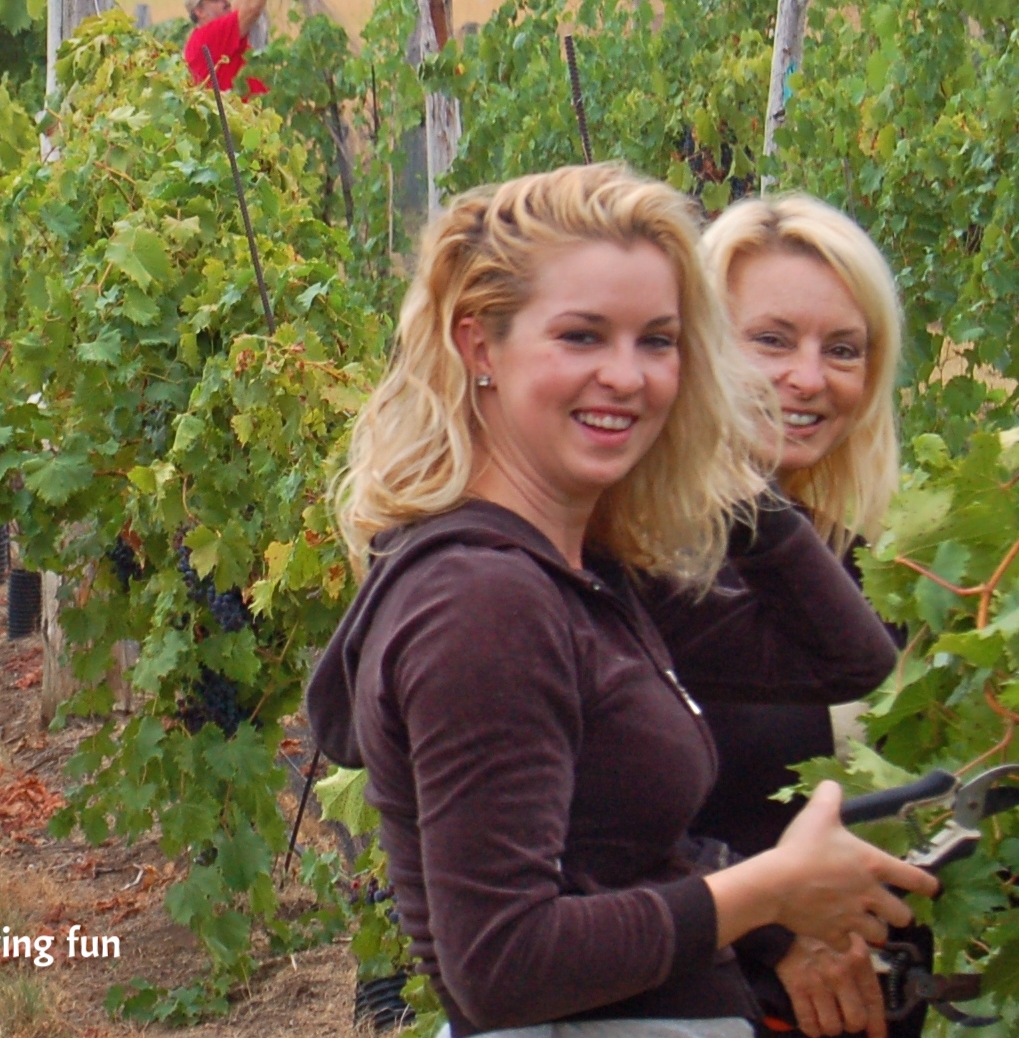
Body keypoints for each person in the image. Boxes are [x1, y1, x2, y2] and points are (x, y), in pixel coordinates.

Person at [307, 163, 937, 1038]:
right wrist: (767, 893)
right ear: (478, 345)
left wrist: (722, 467)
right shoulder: (485, 598)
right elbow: (501, 963)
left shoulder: (582, 572)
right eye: (581, 336)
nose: (628, 376)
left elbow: (845, 658)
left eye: (659, 341)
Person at [686, 195, 909, 1038]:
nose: (808, 378)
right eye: (770, 340)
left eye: (842, 349)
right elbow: (587, 823)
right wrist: (772, 928)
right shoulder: (643, 567)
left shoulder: (884, 559)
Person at [183, 0, 266, 96]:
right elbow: (252, 7)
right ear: (200, 11)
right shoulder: (209, 36)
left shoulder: (203, 37)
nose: (225, 1)